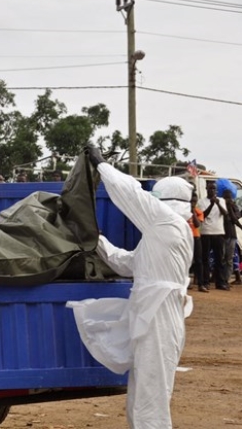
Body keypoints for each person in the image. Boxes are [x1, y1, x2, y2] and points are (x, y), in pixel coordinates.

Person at [68, 147, 193, 429]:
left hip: (159, 317)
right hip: (152, 316)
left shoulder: (167, 222)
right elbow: (126, 264)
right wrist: (96, 239)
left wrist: (102, 164)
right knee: (141, 397)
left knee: (151, 400)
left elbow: (130, 192)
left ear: (163, 202)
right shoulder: (160, 235)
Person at [198, 180, 228, 290]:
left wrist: (217, 203)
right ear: (206, 189)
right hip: (206, 233)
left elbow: (225, 214)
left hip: (219, 232)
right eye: (210, 188)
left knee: (219, 259)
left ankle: (220, 283)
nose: (212, 190)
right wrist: (211, 205)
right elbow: (203, 216)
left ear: (216, 190)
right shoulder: (202, 202)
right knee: (205, 259)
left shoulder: (222, 200)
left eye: (214, 188)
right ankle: (205, 282)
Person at [222, 187, 242, 286]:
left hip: (231, 235)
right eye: (226, 198)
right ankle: (221, 279)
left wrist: (230, 208)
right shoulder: (220, 206)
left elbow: (234, 219)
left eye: (229, 198)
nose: (228, 200)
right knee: (221, 258)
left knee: (229, 259)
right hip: (221, 235)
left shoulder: (233, 207)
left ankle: (226, 280)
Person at [189, 192, 205, 292]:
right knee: (185, 261)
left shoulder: (198, 212)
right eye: (191, 201)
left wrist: (193, 212)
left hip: (195, 237)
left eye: (194, 201)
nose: (193, 203)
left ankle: (201, 284)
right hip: (185, 237)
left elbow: (197, 224)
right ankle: (185, 283)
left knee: (198, 261)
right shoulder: (182, 211)